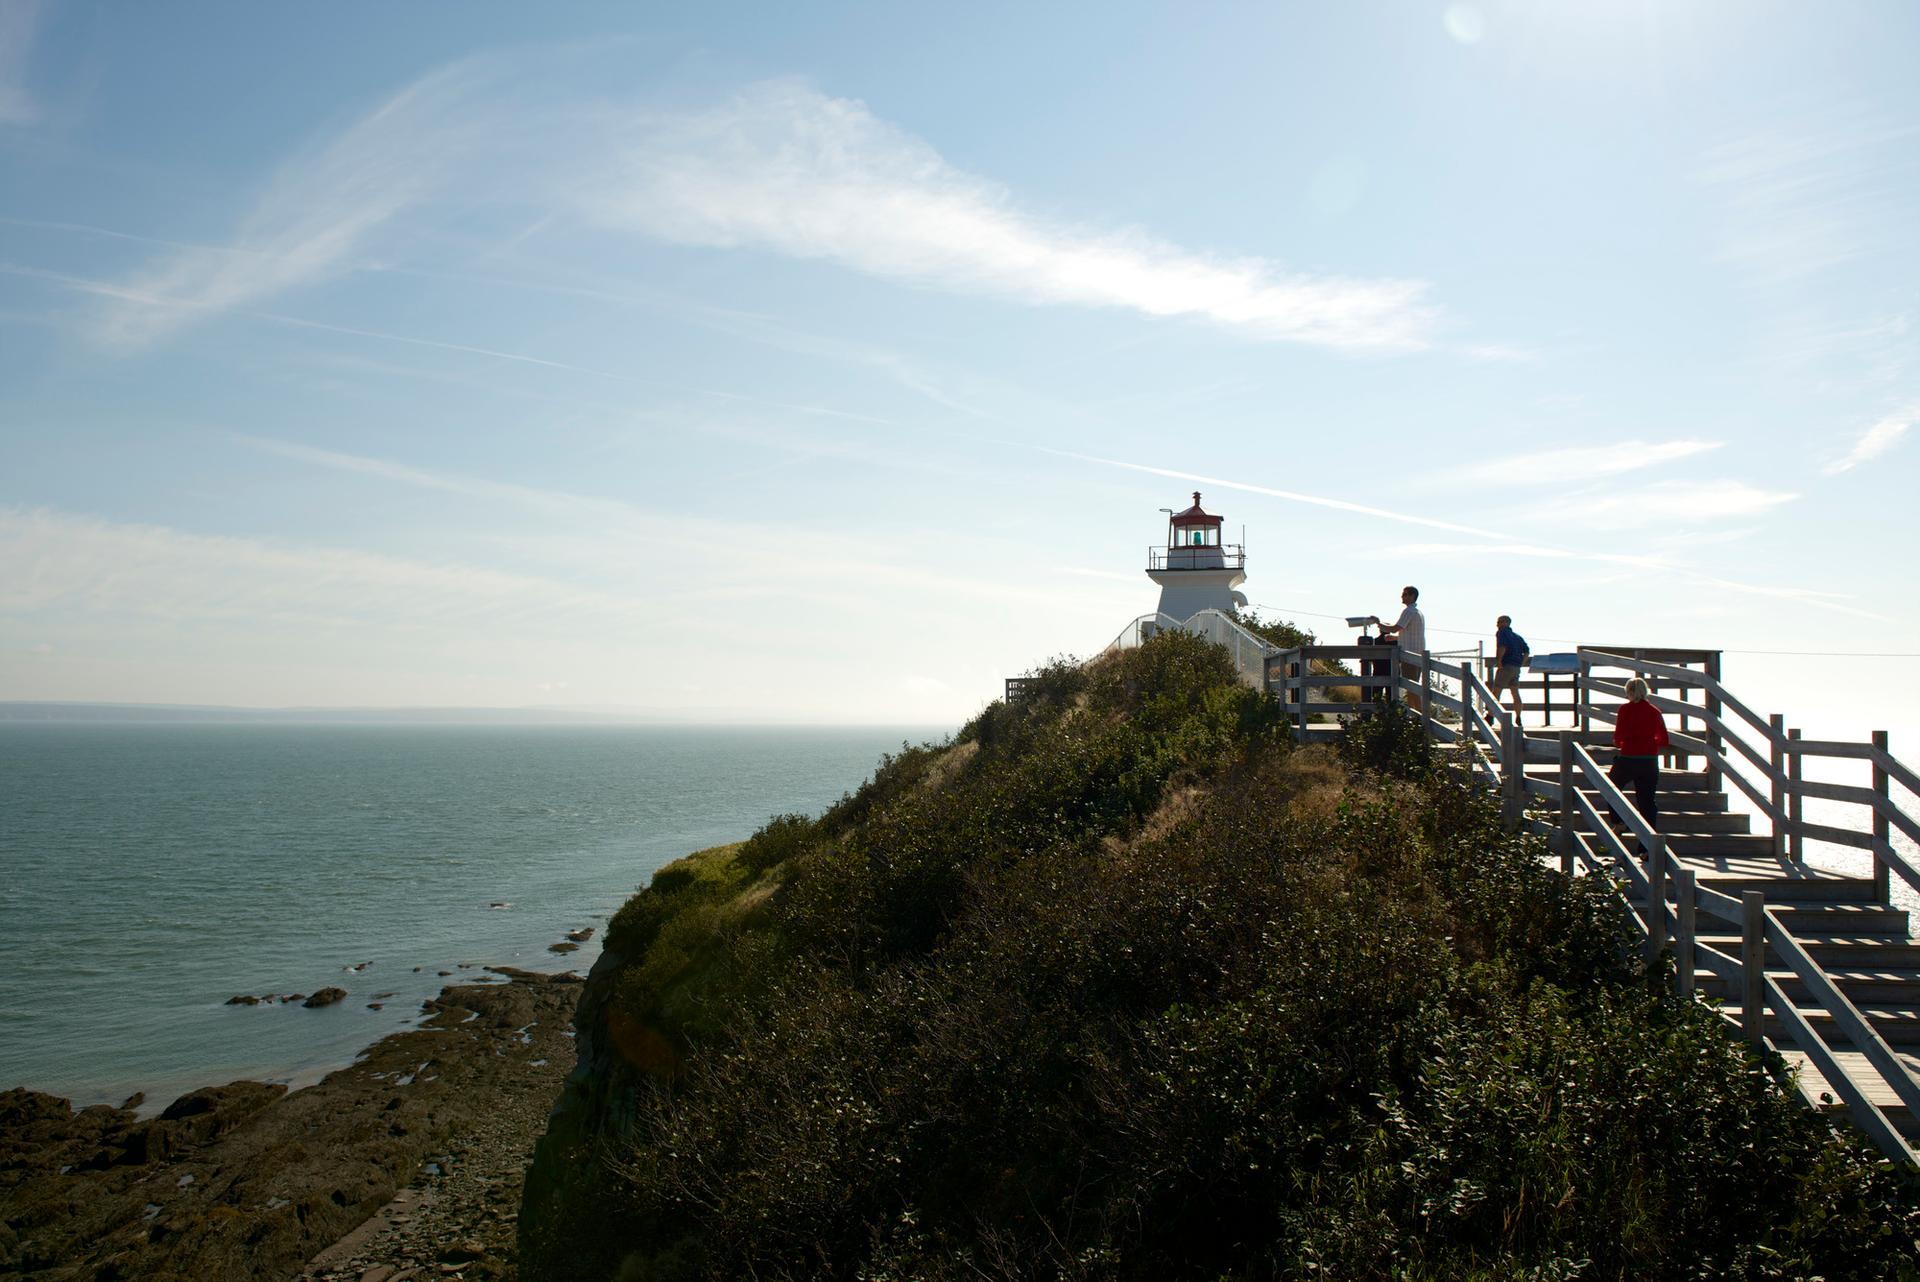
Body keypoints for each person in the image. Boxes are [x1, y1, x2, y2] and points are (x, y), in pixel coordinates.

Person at [1611, 676, 1669, 841]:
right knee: (1647, 803)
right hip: (1649, 761)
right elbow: (1664, 739)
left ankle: (1619, 822)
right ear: (1645, 691)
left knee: (1611, 789)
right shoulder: (1655, 711)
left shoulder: (1625, 710)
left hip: (1628, 759)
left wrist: (1622, 741)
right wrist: (1650, 741)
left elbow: (1618, 738)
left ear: (1629, 692)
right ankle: (1646, 847)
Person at [1372, 585, 1427, 715]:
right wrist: (1396, 638)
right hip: (1417, 654)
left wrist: (1378, 623)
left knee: (1412, 688)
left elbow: (1395, 627)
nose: (1402, 597)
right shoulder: (1418, 612)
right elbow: (1410, 633)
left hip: (1410, 655)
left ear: (1412, 596)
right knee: (1412, 687)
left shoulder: (1409, 611)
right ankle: (1415, 716)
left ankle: (1420, 717)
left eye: (1405, 594)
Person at [1489, 614, 1529, 723]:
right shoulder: (1517, 637)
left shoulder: (1502, 632)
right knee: (1515, 692)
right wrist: (1521, 663)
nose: (1497, 624)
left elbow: (1502, 647)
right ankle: (1518, 717)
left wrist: (1499, 661)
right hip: (1516, 667)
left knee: (1496, 691)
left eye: (1500, 621)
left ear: (1505, 623)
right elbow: (1527, 651)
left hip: (1506, 665)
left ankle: (1490, 716)